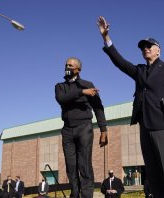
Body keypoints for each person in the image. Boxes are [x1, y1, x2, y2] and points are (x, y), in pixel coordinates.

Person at [97, 16, 164, 198]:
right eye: (142, 47)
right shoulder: (139, 70)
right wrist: (106, 38)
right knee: (153, 173)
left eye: (149, 46)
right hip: (144, 125)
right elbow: (120, 62)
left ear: (158, 51)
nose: (145, 49)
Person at [55, 57, 109, 198]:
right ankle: (75, 194)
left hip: (84, 128)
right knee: (71, 166)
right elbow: (62, 99)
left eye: (70, 65)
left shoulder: (87, 84)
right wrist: (82, 92)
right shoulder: (60, 86)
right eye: (66, 65)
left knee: (84, 165)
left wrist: (103, 130)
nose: (67, 67)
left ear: (78, 69)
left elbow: (98, 108)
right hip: (67, 130)